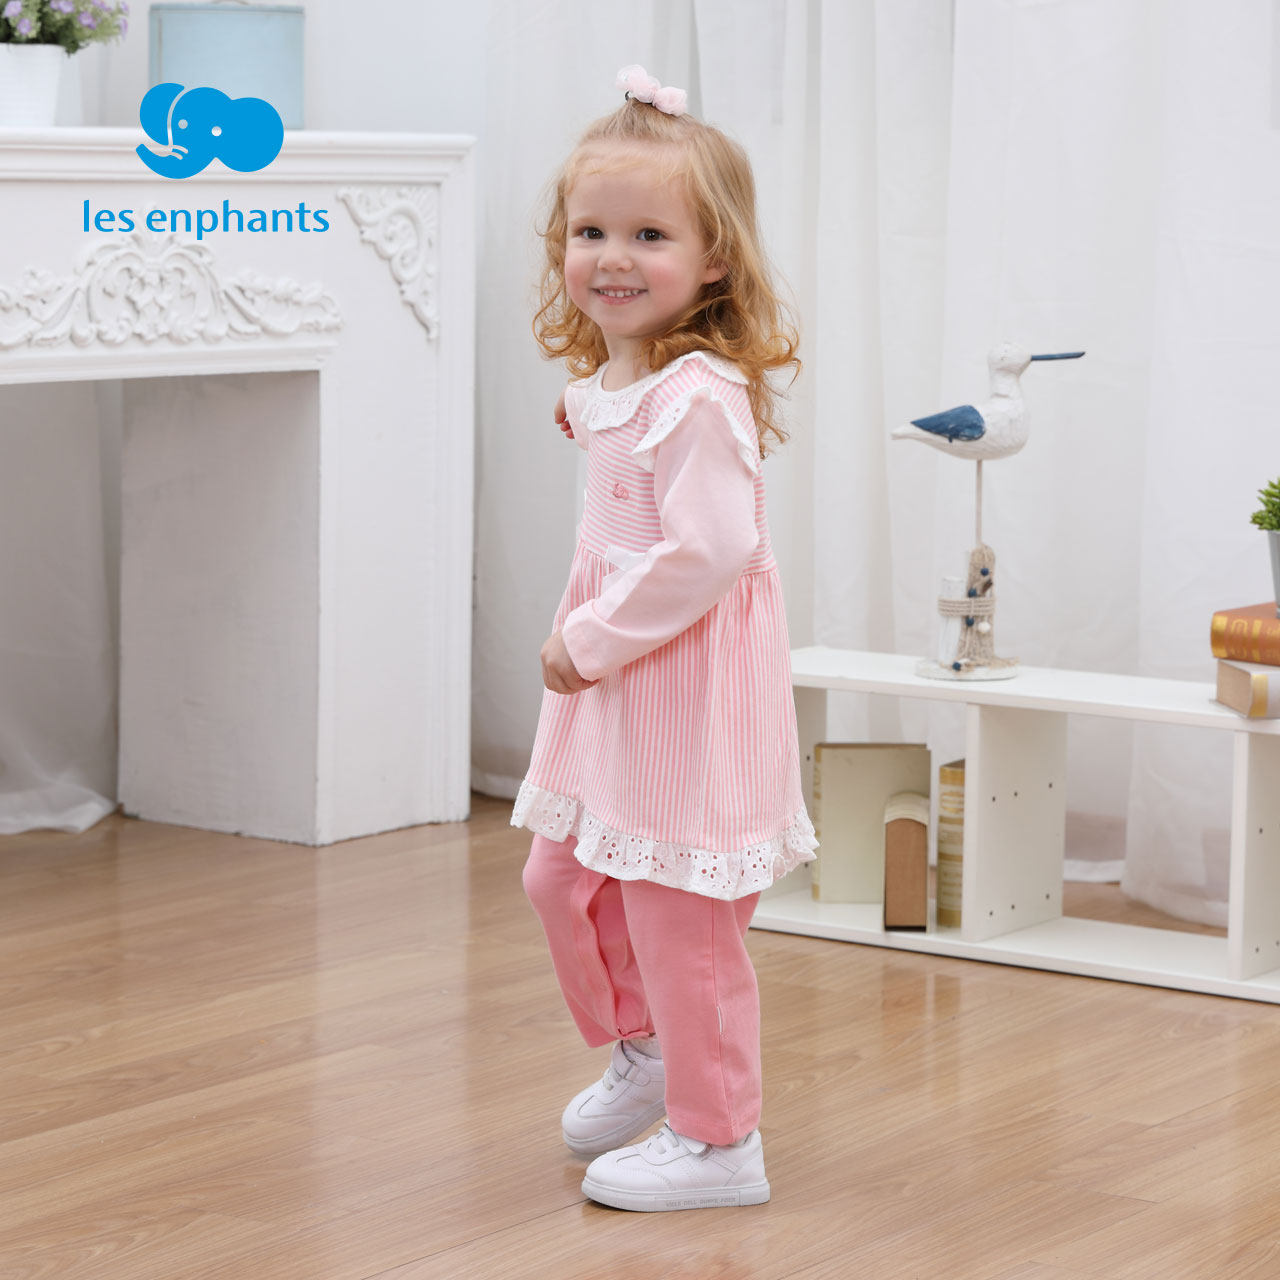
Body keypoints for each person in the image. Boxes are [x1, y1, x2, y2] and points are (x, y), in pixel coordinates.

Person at [512, 64, 816, 1213]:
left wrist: (590, 636)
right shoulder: (627, 378)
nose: (612, 257)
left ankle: (717, 1136)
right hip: (620, 694)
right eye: (590, 232)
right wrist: (587, 408)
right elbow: (616, 434)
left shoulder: (697, 396)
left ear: (714, 258)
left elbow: (709, 549)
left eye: (649, 235)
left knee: (678, 916)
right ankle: (645, 1047)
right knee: (561, 875)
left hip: (677, 686)